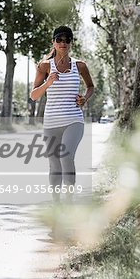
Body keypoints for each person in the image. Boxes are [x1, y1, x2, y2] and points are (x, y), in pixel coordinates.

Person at [30, 26, 94, 202]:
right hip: (51, 123)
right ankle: (56, 204)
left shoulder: (80, 65)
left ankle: (68, 200)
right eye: (59, 39)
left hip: (73, 120)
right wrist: (48, 83)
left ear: (71, 43)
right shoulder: (44, 66)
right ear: (53, 42)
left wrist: (85, 99)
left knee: (66, 156)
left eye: (67, 40)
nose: (63, 43)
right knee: (54, 164)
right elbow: (34, 95)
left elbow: (90, 86)